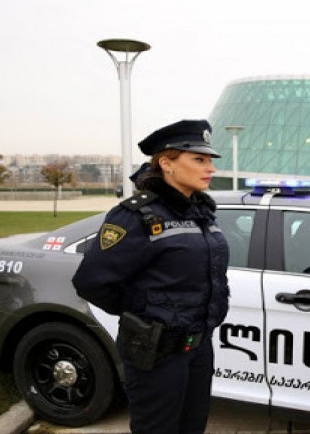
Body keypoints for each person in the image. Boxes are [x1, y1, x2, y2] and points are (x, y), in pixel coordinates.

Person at [72, 119, 230, 434]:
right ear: (167, 163)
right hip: (156, 351)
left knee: (193, 427)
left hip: (199, 345)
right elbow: (91, 281)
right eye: (199, 159)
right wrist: (144, 314)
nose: (210, 168)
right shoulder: (137, 215)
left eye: (210, 160)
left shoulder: (202, 213)